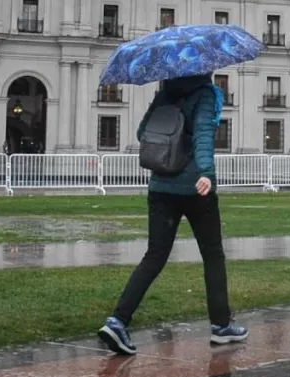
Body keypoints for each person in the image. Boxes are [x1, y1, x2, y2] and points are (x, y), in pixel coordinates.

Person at [98, 73, 248, 355]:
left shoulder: (164, 93)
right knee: (213, 255)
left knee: (154, 256)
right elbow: (203, 135)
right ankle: (221, 325)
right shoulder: (206, 93)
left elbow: (143, 133)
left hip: (159, 187)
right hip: (194, 188)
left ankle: (118, 320)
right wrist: (206, 173)